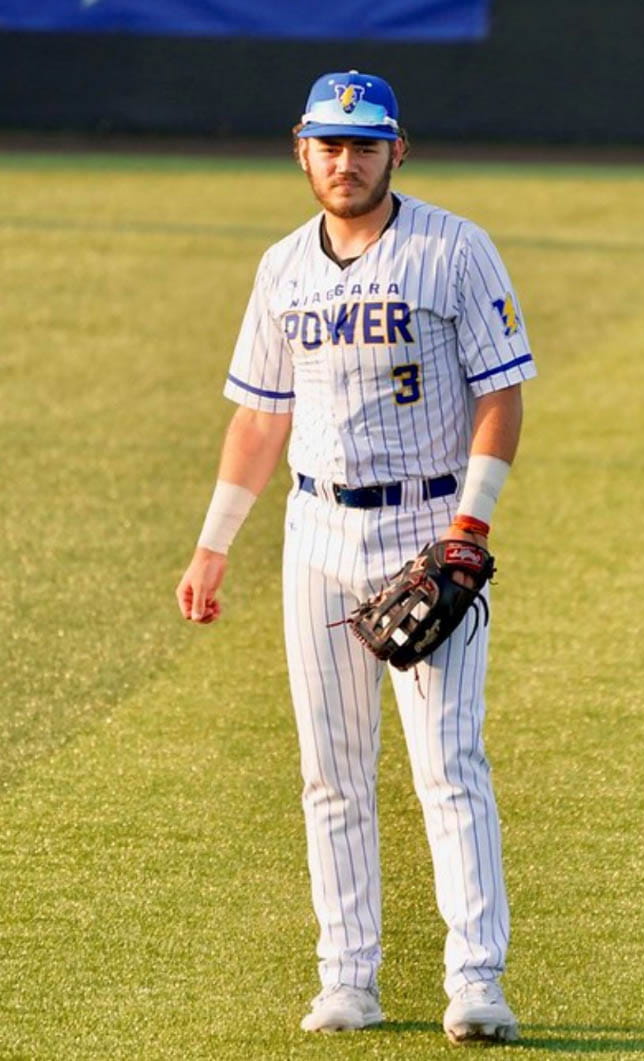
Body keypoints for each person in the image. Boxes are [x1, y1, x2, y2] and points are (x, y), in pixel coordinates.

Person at [176, 69, 536, 1044]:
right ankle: (349, 977)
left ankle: (475, 981)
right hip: (315, 534)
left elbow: (501, 394)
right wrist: (214, 544)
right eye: (328, 145)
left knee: (446, 761)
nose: (345, 160)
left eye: (363, 143)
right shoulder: (283, 267)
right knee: (330, 768)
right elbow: (259, 415)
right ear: (302, 151)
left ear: (395, 148)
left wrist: (469, 527)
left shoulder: (453, 249)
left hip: (428, 531)